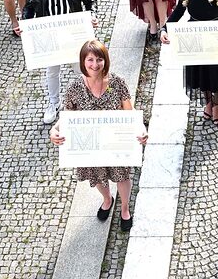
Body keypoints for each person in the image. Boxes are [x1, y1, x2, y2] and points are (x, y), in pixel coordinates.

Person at [49, 40, 148, 232]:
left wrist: (141, 128)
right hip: (91, 145)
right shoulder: (74, 88)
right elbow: (67, 115)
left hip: (114, 143)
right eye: (90, 60)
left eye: (99, 59)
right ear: (83, 62)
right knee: (97, 177)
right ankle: (107, 199)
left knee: (122, 176)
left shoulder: (117, 83)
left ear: (106, 61)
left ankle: (125, 208)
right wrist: (55, 129)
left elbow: (130, 111)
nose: (95, 65)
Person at [21, 0, 98, 124]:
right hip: (49, 36)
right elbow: (29, 8)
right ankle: (54, 103)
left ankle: (87, 99)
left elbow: (90, 0)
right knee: (51, 71)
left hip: (72, 33)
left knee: (82, 69)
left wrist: (92, 15)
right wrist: (25, 24)